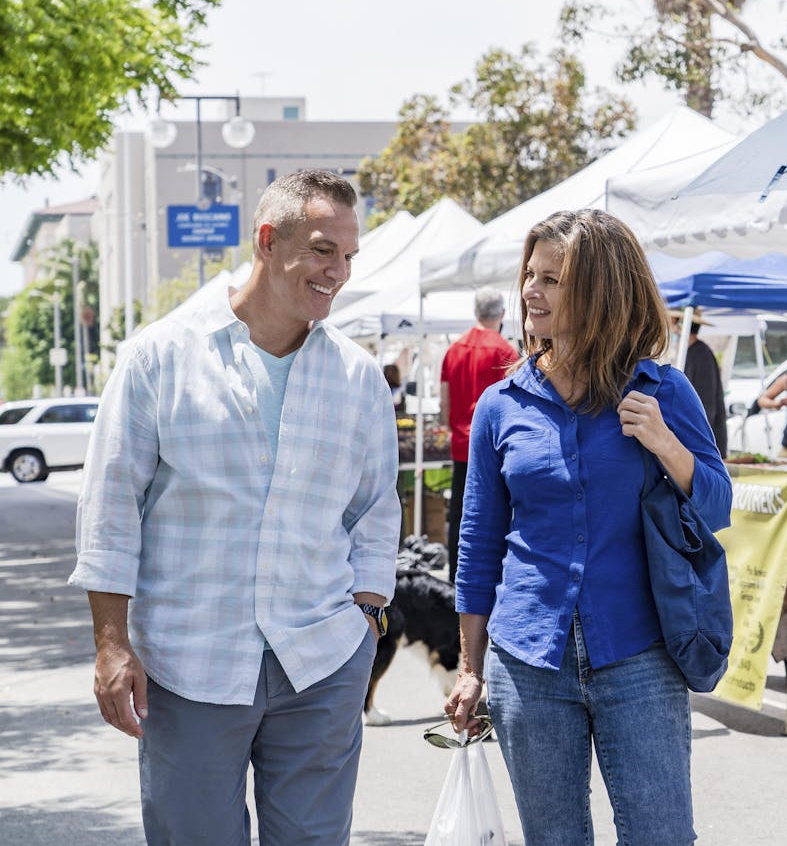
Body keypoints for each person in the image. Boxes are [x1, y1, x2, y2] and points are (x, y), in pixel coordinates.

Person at [69, 170, 400, 845]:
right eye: (321, 250)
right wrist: (111, 645)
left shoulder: (357, 377)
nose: (337, 272)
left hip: (322, 659)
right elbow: (111, 509)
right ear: (267, 240)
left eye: (347, 256)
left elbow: (374, 512)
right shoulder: (158, 358)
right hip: (190, 663)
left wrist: (366, 619)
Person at [445, 209, 731, 846]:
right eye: (530, 274)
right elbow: (478, 545)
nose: (531, 291)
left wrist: (665, 444)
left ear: (601, 290)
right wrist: (471, 666)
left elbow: (716, 506)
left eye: (553, 278)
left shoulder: (666, 392)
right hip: (527, 660)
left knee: (661, 836)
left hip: (640, 655)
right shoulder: (501, 404)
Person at [439, 287, 517, 580]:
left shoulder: (453, 350)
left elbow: (444, 402)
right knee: (493, 519)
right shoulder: (505, 352)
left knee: (459, 515)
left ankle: (454, 579)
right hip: (493, 449)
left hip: (461, 445)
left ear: (475, 312)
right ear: (502, 315)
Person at [674, 308, 728, 457]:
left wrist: (695, 441)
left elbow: (706, 405)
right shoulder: (689, 352)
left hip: (702, 445)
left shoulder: (702, 354)